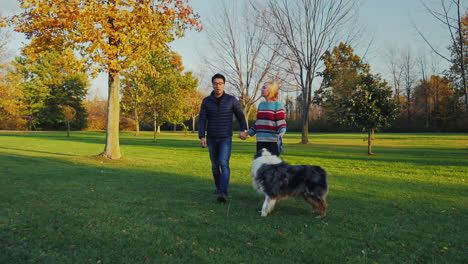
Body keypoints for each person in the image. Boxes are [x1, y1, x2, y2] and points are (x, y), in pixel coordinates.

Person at [199, 73, 248, 203]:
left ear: (224, 85)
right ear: (212, 85)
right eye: (215, 83)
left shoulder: (231, 100)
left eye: (220, 83)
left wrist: (244, 130)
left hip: (226, 137)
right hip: (211, 138)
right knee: (215, 166)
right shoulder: (206, 101)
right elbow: (202, 119)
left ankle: (223, 192)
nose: (218, 86)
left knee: (223, 163)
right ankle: (219, 188)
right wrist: (201, 136)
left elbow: (240, 116)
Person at [243, 81, 287, 156]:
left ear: (271, 91)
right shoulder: (261, 105)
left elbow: (281, 121)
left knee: (272, 167)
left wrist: (282, 131)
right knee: (262, 166)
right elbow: (258, 124)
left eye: (264, 87)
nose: (261, 89)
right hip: (260, 141)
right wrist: (247, 133)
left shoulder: (277, 105)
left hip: (272, 142)